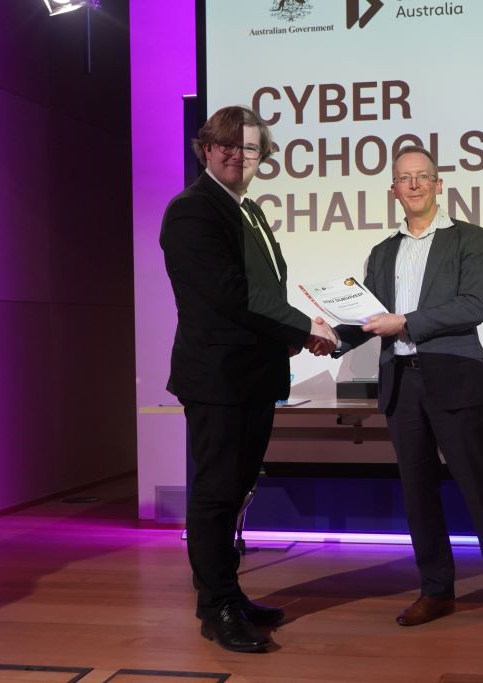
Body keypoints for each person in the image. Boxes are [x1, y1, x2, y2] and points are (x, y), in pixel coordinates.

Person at [325, 146, 483, 631]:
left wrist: (406, 322)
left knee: (479, 487)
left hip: (454, 376)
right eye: (404, 178)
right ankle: (436, 590)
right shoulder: (383, 251)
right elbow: (369, 318)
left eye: (422, 176)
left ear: (439, 184)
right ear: (393, 189)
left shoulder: (468, 238)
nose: (413, 185)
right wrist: (332, 336)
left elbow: (473, 305)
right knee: (417, 492)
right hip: (401, 382)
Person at [160, 105, 336, 652]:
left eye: (251, 147)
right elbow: (230, 295)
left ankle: (230, 595)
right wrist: (304, 326)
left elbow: (263, 291)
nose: (239, 155)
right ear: (205, 150)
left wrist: (290, 336)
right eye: (228, 145)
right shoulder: (192, 211)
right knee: (216, 493)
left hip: (252, 374)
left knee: (235, 490)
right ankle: (215, 608)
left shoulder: (249, 210)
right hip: (218, 378)